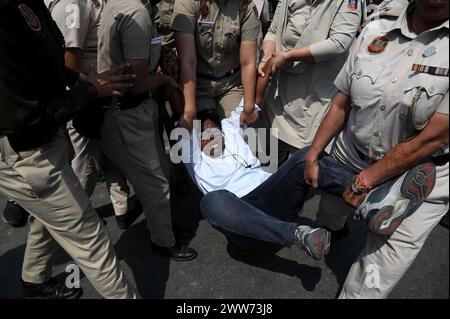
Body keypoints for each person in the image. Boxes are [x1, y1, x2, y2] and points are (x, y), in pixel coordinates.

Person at [0, 0, 138, 298]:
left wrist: (79, 80)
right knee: (91, 237)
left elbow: (47, 60)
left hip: (45, 138)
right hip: (25, 149)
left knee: (49, 213)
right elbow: (27, 120)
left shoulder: (29, 3)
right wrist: (89, 90)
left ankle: (34, 280)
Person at [325, 0, 447, 298]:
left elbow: (432, 139)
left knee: (373, 277)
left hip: (422, 176)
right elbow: (342, 98)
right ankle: (335, 227)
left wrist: (366, 180)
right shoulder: (378, 22)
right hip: (353, 155)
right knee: (329, 215)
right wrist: (315, 153)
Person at [97, 0, 197, 261]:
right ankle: (164, 241)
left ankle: (159, 225)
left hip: (128, 111)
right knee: (156, 183)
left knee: (159, 173)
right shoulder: (137, 12)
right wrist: (165, 79)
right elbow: (138, 84)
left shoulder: (123, 5)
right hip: (127, 113)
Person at [178, 103, 332, 260]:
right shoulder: (194, 158)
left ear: (222, 133)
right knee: (211, 201)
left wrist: (263, 77)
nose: (210, 139)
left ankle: (355, 188)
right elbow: (183, 120)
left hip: (271, 198)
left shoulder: (231, 131)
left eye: (213, 133)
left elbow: (253, 99)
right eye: (203, 136)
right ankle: (297, 235)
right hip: (245, 222)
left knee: (308, 155)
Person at [45, 0, 142, 229]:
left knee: (109, 155)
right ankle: (77, 219)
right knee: (85, 164)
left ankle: (121, 209)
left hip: (101, 94)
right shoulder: (75, 5)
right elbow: (70, 58)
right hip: (85, 97)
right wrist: (88, 86)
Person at [257, 0, 364, 166]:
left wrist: (288, 56)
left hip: (312, 102)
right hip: (277, 98)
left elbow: (339, 43)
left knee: (295, 172)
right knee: (262, 167)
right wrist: (267, 56)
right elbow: (273, 30)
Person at [171, 0, 261, 130]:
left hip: (231, 85)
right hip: (198, 85)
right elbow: (187, 61)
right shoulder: (188, 2)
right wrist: (189, 110)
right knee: (204, 140)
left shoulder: (246, 6)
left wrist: (248, 107)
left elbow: (248, 62)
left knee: (241, 138)